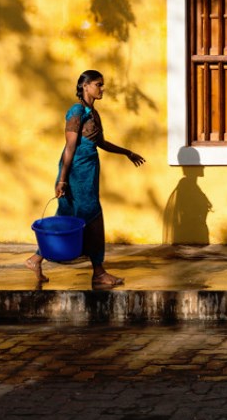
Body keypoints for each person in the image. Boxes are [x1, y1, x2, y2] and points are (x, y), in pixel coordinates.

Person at [26, 70, 145, 288]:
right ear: (85, 86)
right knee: (93, 218)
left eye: (102, 84)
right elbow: (70, 147)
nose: (102, 88)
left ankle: (35, 259)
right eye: (99, 84)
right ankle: (98, 273)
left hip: (88, 169)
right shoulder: (77, 111)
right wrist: (62, 180)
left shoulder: (93, 114)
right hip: (76, 172)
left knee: (67, 215)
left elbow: (101, 142)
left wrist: (127, 152)